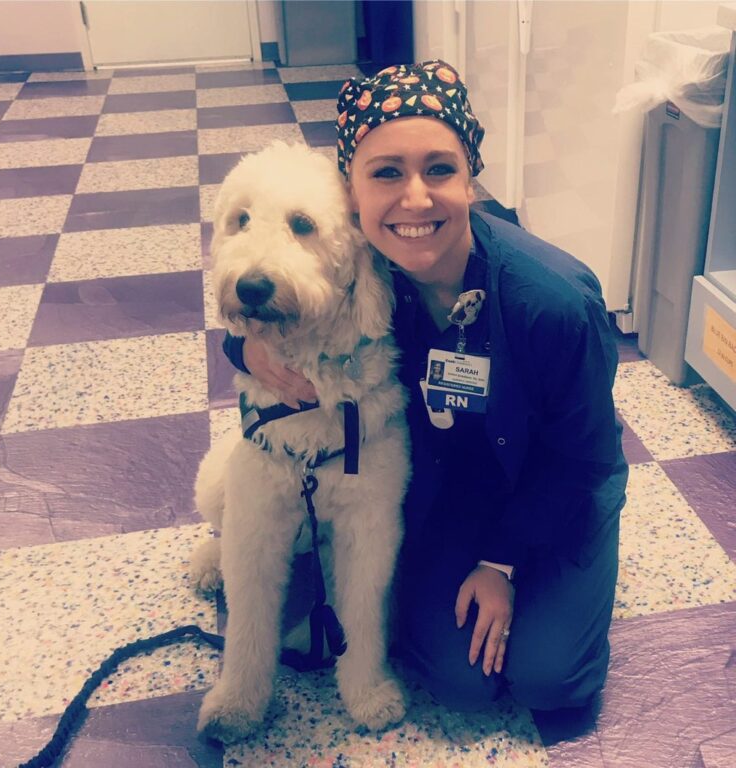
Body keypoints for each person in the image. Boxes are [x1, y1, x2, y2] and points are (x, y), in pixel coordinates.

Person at [222, 60, 628, 715]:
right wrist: (243, 344)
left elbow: (583, 458)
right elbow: (273, 292)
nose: (414, 199)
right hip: (449, 490)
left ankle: (530, 575)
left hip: (548, 490)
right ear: (352, 195)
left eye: (439, 168)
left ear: (471, 179)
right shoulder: (366, 269)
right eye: (386, 172)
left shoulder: (552, 301)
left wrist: (501, 564)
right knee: (459, 677)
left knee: (551, 678)